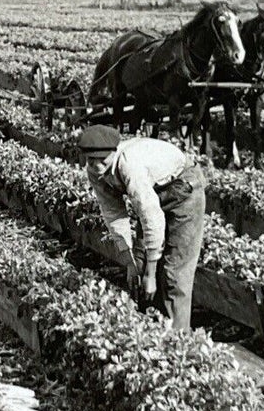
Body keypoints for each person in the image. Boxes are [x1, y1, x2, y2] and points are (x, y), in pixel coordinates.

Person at [78, 123, 206, 332]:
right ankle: (150, 329)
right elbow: (114, 214)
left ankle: (178, 340)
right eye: (91, 160)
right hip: (153, 192)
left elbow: (150, 216)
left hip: (183, 190)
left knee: (174, 271)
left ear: (114, 151)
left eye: (102, 160)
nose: (96, 166)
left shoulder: (130, 165)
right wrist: (129, 261)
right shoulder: (95, 171)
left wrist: (152, 275)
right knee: (139, 264)